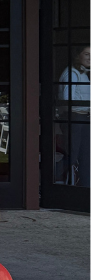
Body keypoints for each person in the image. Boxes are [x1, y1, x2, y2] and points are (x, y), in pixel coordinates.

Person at [57, 46, 90, 186]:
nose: (90, 58)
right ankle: (55, 179)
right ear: (78, 56)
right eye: (86, 54)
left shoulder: (84, 73)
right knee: (72, 153)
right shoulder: (71, 73)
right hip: (74, 117)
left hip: (84, 118)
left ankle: (85, 187)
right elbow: (67, 98)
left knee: (86, 155)